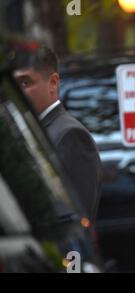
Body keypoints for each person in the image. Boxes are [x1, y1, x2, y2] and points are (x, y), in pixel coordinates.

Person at [14, 47, 102, 224]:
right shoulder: (32, 129)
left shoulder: (70, 135)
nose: (16, 91)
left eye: (25, 83)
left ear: (53, 82)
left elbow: (74, 217)